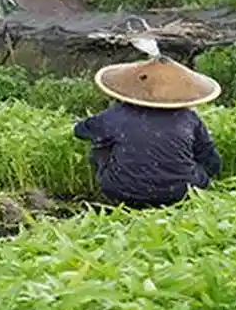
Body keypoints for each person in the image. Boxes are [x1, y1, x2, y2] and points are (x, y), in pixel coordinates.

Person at [73, 55, 223, 209]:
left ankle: (116, 197)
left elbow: (81, 131)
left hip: (123, 190)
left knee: (100, 144)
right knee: (198, 153)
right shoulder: (189, 118)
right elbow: (210, 158)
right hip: (182, 192)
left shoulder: (116, 115)